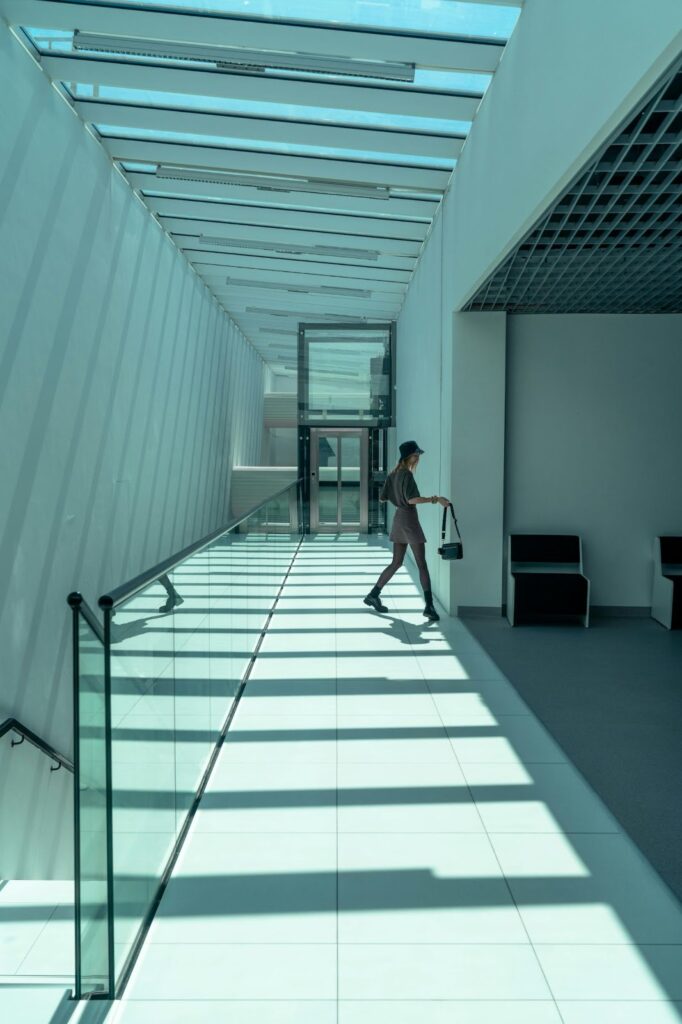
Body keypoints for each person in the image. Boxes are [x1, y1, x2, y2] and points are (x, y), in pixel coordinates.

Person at [364, 440, 450, 621]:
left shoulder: (393, 475)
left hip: (398, 519)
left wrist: (397, 498)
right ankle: (429, 607)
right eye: (415, 455)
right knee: (421, 564)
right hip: (409, 520)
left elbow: (382, 498)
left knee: (396, 563)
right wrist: (436, 499)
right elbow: (412, 500)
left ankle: (373, 594)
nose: (417, 458)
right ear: (408, 456)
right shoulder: (406, 475)